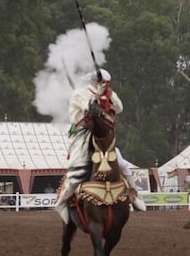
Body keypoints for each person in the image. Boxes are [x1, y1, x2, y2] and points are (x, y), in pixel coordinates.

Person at [55, 69, 147, 223]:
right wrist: (97, 95)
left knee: (122, 164)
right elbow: (89, 108)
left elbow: (119, 108)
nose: (103, 84)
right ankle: (61, 203)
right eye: (101, 82)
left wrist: (108, 96)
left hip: (103, 135)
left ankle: (133, 195)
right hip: (82, 135)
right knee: (77, 171)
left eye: (105, 83)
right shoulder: (79, 93)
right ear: (94, 81)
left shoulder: (109, 93)